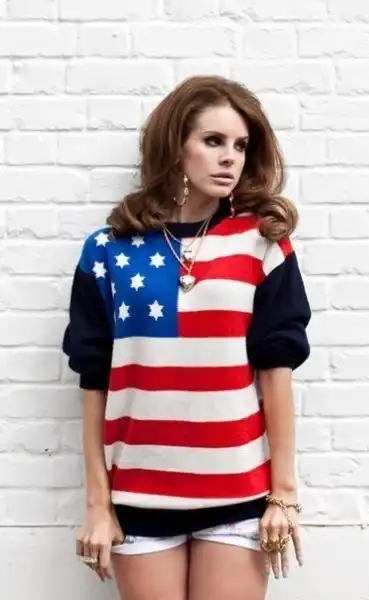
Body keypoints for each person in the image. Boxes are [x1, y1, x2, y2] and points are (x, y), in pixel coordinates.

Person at [63, 75, 311, 600]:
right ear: (176, 145)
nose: (230, 158)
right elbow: (94, 380)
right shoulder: (109, 250)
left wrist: (283, 495)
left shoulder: (262, 243)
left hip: (239, 496)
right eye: (214, 141)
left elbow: (277, 371)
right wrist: (97, 504)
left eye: (240, 145)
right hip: (139, 498)